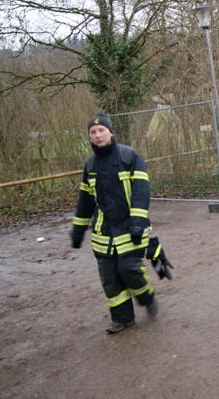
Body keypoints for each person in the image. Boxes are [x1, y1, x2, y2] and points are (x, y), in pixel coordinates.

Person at [70, 113, 157, 334]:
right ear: (89, 137)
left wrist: (138, 222)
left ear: (111, 133)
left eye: (101, 130)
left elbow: (141, 192)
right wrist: (78, 230)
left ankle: (146, 297)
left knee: (129, 270)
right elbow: (85, 201)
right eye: (93, 132)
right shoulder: (90, 165)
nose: (97, 135)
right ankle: (122, 318)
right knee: (109, 278)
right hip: (103, 233)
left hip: (130, 229)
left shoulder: (130, 156)